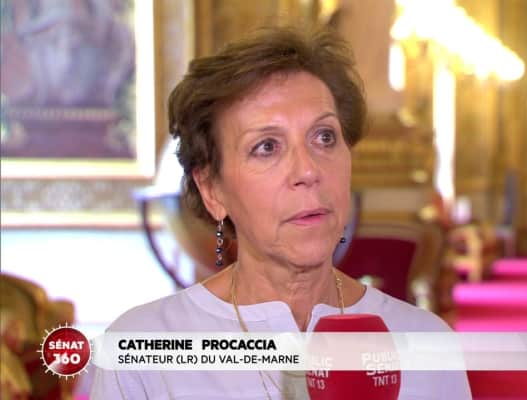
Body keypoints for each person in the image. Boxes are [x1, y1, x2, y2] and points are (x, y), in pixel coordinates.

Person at [90, 26, 473, 399]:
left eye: (324, 137)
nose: (308, 170)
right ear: (212, 190)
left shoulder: (426, 344)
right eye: (267, 147)